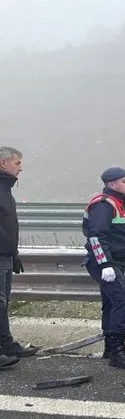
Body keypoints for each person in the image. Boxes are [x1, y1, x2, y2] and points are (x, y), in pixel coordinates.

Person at [82, 166, 125, 369]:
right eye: (124, 181)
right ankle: (118, 352)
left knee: (111, 303)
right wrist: (105, 263)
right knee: (123, 303)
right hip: (106, 263)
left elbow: (114, 234)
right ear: (112, 184)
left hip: (114, 260)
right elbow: (96, 236)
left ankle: (110, 348)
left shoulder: (116, 203)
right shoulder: (104, 204)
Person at [0, 147, 37, 366]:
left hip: (5, 255)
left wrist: (13, 252)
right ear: (3, 163)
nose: (20, 168)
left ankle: (6, 343)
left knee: (3, 304)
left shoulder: (5, 189)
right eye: (17, 163)